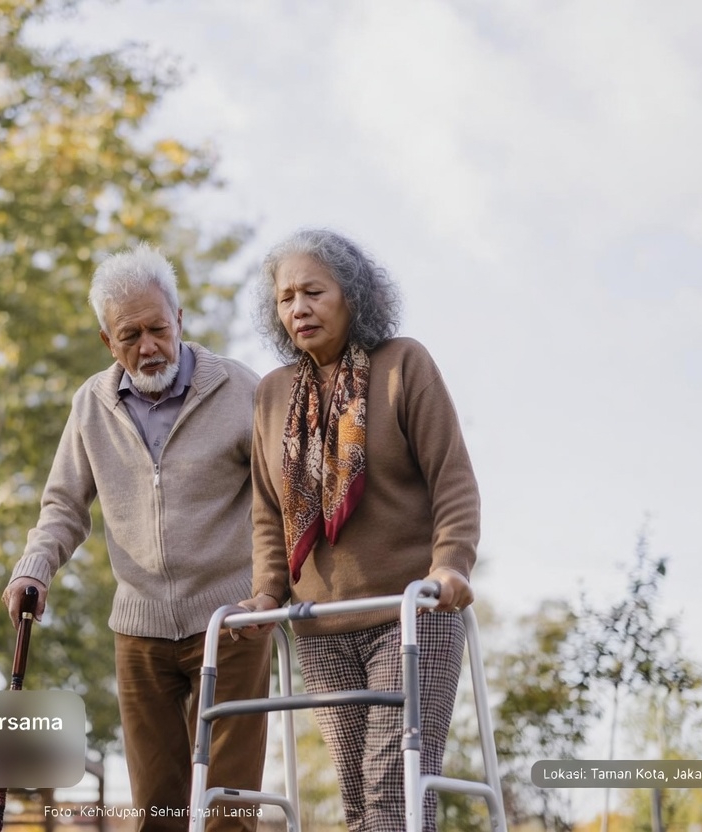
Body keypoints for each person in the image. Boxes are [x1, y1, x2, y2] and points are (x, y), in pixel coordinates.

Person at [2, 243, 271, 832]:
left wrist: (270, 593)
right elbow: (63, 504)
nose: (148, 347)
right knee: (158, 812)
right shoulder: (91, 406)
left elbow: (280, 500)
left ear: (180, 319)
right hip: (140, 627)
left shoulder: (239, 390)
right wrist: (33, 567)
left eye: (157, 328)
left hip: (232, 621)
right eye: (130, 336)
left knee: (227, 810)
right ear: (108, 341)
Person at [238, 228, 480, 832]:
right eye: (286, 298)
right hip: (320, 627)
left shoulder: (404, 365)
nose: (298, 308)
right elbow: (268, 512)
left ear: (353, 295)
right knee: (358, 797)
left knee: (393, 787)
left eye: (313, 292)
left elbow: (452, 479)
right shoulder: (272, 394)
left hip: (412, 614)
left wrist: (451, 564)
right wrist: (266, 594)